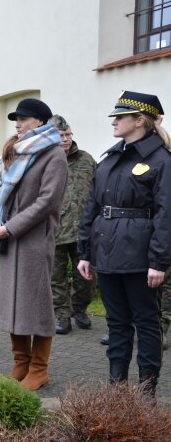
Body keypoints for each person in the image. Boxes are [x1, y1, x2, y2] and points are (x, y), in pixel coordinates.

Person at [77, 91, 171, 397]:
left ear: (139, 120)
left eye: (120, 117)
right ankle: (116, 390)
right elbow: (91, 206)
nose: (114, 122)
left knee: (145, 322)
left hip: (140, 256)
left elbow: (166, 213)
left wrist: (159, 261)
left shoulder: (160, 160)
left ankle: (146, 392)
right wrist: (85, 252)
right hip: (107, 252)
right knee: (116, 324)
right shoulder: (111, 159)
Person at [0, 98, 67, 391]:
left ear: (41, 122)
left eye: (24, 118)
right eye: (16, 119)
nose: (17, 124)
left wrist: (11, 227)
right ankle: (21, 362)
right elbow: (4, 194)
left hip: (34, 240)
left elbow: (47, 202)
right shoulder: (18, 152)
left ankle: (39, 369)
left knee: (38, 305)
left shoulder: (53, 155)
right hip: (10, 238)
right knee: (13, 303)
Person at [48, 115, 97, 335]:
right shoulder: (44, 162)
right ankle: (62, 316)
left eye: (68, 134)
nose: (66, 139)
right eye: (61, 136)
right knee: (55, 278)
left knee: (86, 278)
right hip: (54, 231)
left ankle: (79, 310)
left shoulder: (86, 160)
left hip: (84, 232)